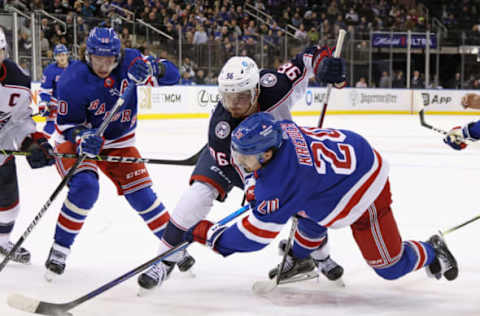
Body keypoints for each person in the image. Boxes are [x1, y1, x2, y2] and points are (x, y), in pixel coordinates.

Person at [137, 45, 348, 291]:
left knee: (307, 201)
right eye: (228, 97)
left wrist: (327, 67)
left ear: (256, 89)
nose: (234, 104)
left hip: (277, 159)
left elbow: (309, 57)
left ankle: (316, 255)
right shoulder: (221, 127)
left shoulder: (275, 86)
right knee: (194, 198)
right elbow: (238, 167)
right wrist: (253, 188)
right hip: (230, 160)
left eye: (242, 97)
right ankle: (165, 260)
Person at [188, 112, 459, 284]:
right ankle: (302, 257)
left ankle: (432, 250)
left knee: (389, 267)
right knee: (307, 207)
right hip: (342, 164)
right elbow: (272, 180)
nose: (240, 163)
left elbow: (253, 237)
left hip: (364, 188)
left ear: (267, 154)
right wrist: (252, 185)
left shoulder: (282, 184)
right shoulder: (279, 129)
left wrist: (209, 235)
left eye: (245, 158)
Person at [44, 27, 194, 281]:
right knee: (85, 187)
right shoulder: (72, 79)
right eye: (98, 58)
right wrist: (81, 137)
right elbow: (68, 126)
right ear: (87, 54)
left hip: (119, 140)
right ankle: (60, 249)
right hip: (78, 141)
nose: (104, 65)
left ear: (118, 55)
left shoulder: (131, 61)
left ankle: (172, 246)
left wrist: (155, 69)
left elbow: (174, 76)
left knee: (142, 194)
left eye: (110, 59)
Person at [0, 27, 55, 264]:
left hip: (1, 153)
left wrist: (32, 141)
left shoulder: (18, 80)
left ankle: (2, 243)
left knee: (10, 207)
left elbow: (20, 121)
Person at [38, 44, 74, 138]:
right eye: (58, 55)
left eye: (63, 55)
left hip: (74, 104)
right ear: (55, 57)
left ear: (67, 55)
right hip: (57, 104)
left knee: (74, 130)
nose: (61, 57)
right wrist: (44, 104)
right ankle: (44, 148)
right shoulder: (50, 70)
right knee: (50, 128)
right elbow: (45, 89)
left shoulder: (76, 66)